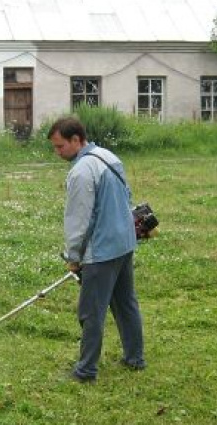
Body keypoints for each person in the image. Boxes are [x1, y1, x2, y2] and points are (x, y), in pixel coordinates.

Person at [49, 117, 146, 383]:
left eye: (60, 147)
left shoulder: (81, 172)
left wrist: (74, 257)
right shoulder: (109, 156)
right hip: (124, 243)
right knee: (126, 304)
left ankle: (86, 370)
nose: (57, 153)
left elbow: (79, 220)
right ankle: (134, 358)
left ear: (76, 140)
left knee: (91, 312)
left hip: (102, 251)